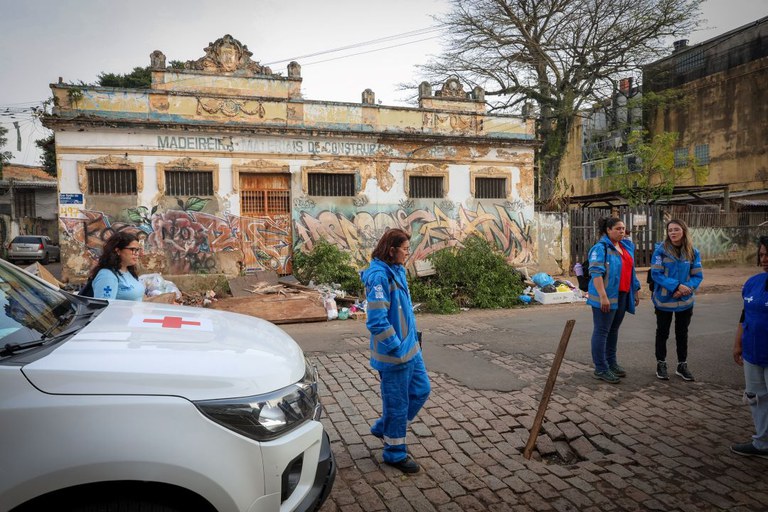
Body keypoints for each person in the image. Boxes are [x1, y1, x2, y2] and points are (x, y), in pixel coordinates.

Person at [360, 228, 430, 473]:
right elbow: (377, 321)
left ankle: (384, 427)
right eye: (405, 250)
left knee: (422, 390)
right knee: (397, 405)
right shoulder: (379, 277)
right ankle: (394, 453)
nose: (408, 254)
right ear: (392, 250)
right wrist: (397, 349)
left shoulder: (397, 270)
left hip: (411, 349)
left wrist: (411, 343)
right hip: (396, 356)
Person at [586, 217, 641, 383]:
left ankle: (611, 363)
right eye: (618, 228)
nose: (622, 231)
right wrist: (603, 296)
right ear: (608, 230)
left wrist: (635, 290)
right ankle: (601, 368)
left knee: (613, 330)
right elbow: (596, 273)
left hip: (623, 294)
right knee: (602, 331)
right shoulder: (600, 248)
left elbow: (631, 271)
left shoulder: (625, 247)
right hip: (606, 297)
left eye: (623, 228)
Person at [650, 219, 703, 381]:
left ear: (684, 231)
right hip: (664, 300)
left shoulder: (693, 252)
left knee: (682, 333)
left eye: (676, 229)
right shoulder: (660, 251)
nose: (672, 233)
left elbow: (697, 276)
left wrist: (685, 288)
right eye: (670, 230)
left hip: (685, 300)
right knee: (662, 332)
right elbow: (656, 274)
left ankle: (682, 365)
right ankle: (661, 363)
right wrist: (677, 286)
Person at [731, 236, 768, 459]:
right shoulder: (753, 282)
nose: (764, 259)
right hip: (752, 353)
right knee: (756, 398)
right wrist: (738, 344)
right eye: (762, 254)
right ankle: (762, 443)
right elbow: (745, 316)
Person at [89, 232, 145, 301]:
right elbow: (104, 307)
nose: (136, 254)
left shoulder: (129, 272)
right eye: (132, 249)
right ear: (118, 251)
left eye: (137, 250)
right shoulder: (107, 275)